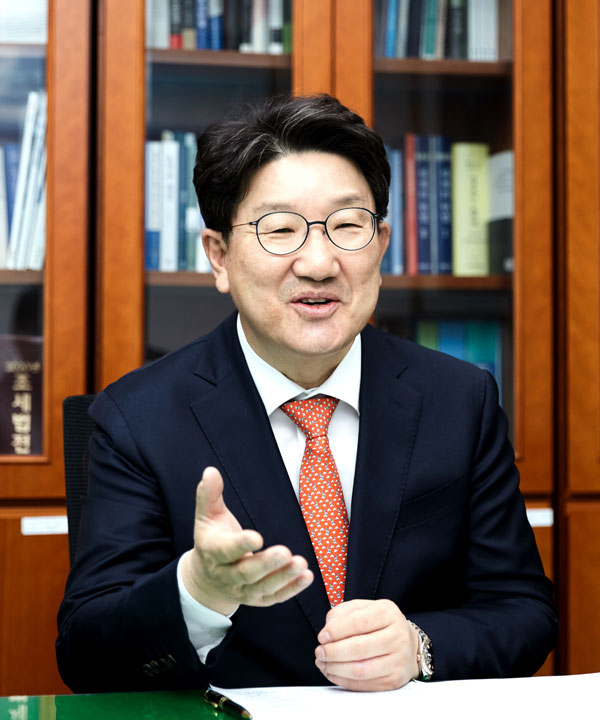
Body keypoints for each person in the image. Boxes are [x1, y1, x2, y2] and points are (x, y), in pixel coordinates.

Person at [56, 93, 556, 693]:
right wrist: (199, 592)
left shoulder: (460, 398)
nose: (319, 263)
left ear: (381, 244)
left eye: (347, 226)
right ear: (219, 256)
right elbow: (86, 654)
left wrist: (420, 646)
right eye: (281, 230)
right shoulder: (137, 418)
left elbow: (524, 610)